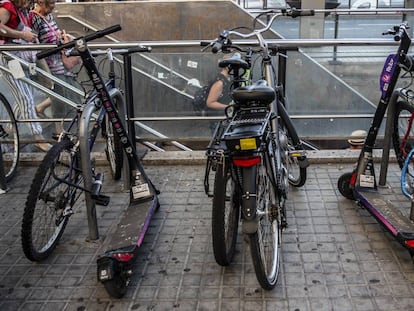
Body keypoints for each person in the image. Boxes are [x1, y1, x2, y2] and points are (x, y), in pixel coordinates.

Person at [0, 0, 51, 151]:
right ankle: (38, 137)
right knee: (24, 96)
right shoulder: (7, 7)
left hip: (17, 57)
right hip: (8, 58)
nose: (29, 2)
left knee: (24, 94)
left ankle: (10, 128)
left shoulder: (19, 10)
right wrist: (23, 34)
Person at [29, 0, 81, 131]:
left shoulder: (49, 15)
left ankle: (41, 109)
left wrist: (61, 38)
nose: (53, 6)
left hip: (59, 62)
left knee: (68, 91)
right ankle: (59, 131)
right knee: (59, 97)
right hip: (49, 64)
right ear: (40, 2)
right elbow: (33, 40)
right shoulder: (34, 18)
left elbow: (52, 34)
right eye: (50, 3)